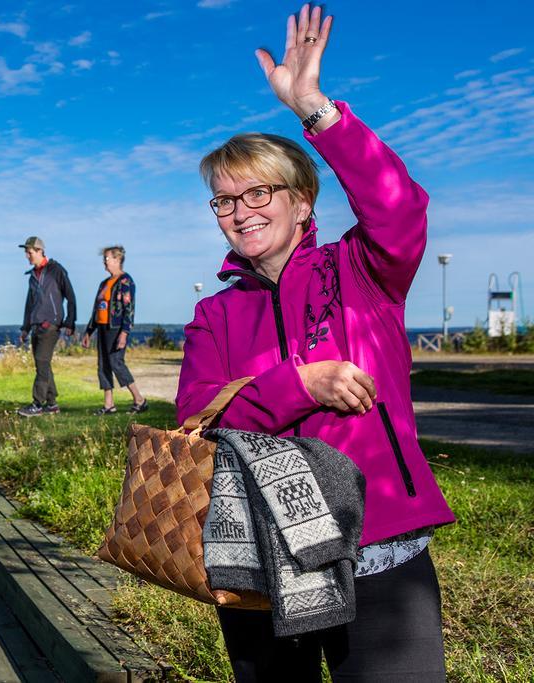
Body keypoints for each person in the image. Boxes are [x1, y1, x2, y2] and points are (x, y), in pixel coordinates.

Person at [175, 5, 455, 680]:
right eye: (224, 200)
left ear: (302, 202)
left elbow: (400, 204)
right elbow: (201, 422)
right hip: (262, 562)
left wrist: (315, 109)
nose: (240, 210)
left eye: (258, 192)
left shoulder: (362, 270)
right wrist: (299, 384)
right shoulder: (214, 316)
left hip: (381, 556)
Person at [81, 246, 148, 414]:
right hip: (102, 328)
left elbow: (129, 309)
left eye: (107, 258)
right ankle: (108, 404)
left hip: (117, 329)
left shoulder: (126, 281)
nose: (105, 261)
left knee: (116, 363)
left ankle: (139, 400)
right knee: (103, 365)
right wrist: (88, 332)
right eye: (104, 258)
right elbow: (96, 309)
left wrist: (124, 333)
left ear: (118, 260)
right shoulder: (104, 283)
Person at [17, 236, 77, 417]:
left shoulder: (55, 270)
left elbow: (71, 296)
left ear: (40, 251)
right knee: (43, 364)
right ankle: (51, 404)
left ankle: (37, 403)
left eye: (30, 252)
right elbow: (29, 304)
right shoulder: (32, 277)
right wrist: (25, 328)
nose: (27, 256)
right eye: (26, 253)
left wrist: (70, 322)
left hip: (51, 325)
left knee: (42, 362)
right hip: (36, 326)